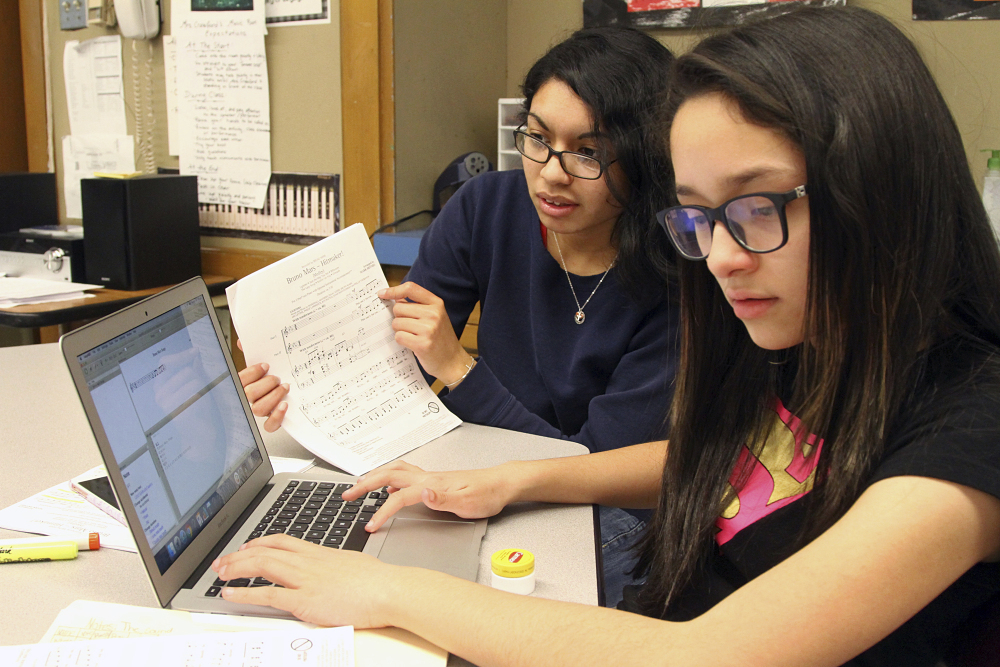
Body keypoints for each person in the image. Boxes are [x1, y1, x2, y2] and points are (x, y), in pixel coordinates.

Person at [216, 7, 1000, 665]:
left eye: (756, 206)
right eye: (697, 214)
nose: (721, 256)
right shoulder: (807, 337)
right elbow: (704, 458)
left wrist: (386, 588)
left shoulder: (970, 426)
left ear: (876, 187)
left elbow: (708, 655)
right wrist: (503, 483)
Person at [239, 26, 679, 606]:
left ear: (645, 157)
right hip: (479, 460)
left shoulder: (677, 274)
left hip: (605, 504)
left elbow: (593, 466)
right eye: (538, 139)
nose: (551, 172)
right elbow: (397, 366)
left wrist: (461, 370)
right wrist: (302, 395)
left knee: (460, 600)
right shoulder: (486, 206)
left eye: (589, 152)